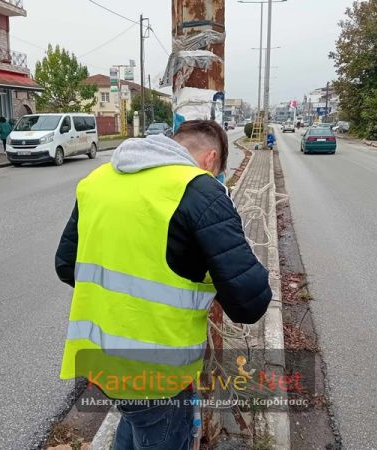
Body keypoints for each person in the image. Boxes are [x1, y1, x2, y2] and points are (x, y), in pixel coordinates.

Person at [55, 120, 272, 450]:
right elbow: (249, 302)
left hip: (99, 359)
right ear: (211, 159)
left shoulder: (96, 181)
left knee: (134, 420)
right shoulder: (200, 190)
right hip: (158, 372)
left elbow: (66, 266)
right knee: (153, 426)